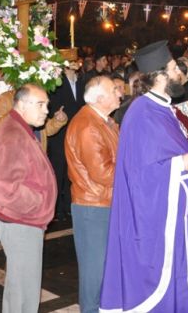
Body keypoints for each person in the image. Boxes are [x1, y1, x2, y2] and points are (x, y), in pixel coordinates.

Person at [100, 41, 188, 312]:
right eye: (173, 69)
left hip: (174, 214)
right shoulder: (142, 113)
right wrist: (181, 163)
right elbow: (139, 174)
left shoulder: (165, 108)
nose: (179, 74)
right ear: (159, 75)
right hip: (152, 218)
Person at [0, 84, 57, 313]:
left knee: (24, 284)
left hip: (24, 219)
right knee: (22, 288)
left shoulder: (19, 127)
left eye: (46, 104)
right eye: (40, 104)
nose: (46, 110)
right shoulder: (12, 133)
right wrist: (39, 202)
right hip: (21, 220)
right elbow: (5, 187)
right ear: (22, 104)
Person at [65, 76, 121, 313]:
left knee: (104, 267)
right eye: (114, 90)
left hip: (104, 201)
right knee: (93, 271)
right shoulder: (88, 126)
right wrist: (137, 172)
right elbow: (103, 173)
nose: (120, 92)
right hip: (93, 206)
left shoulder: (104, 121)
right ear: (100, 98)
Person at [48, 60, 85, 221]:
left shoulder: (82, 82)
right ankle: (56, 208)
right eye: (73, 62)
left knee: (73, 172)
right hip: (60, 133)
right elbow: (53, 106)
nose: (77, 64)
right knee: (58, 171)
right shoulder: (57, 83)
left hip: (77, 135)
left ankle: (70, 205)